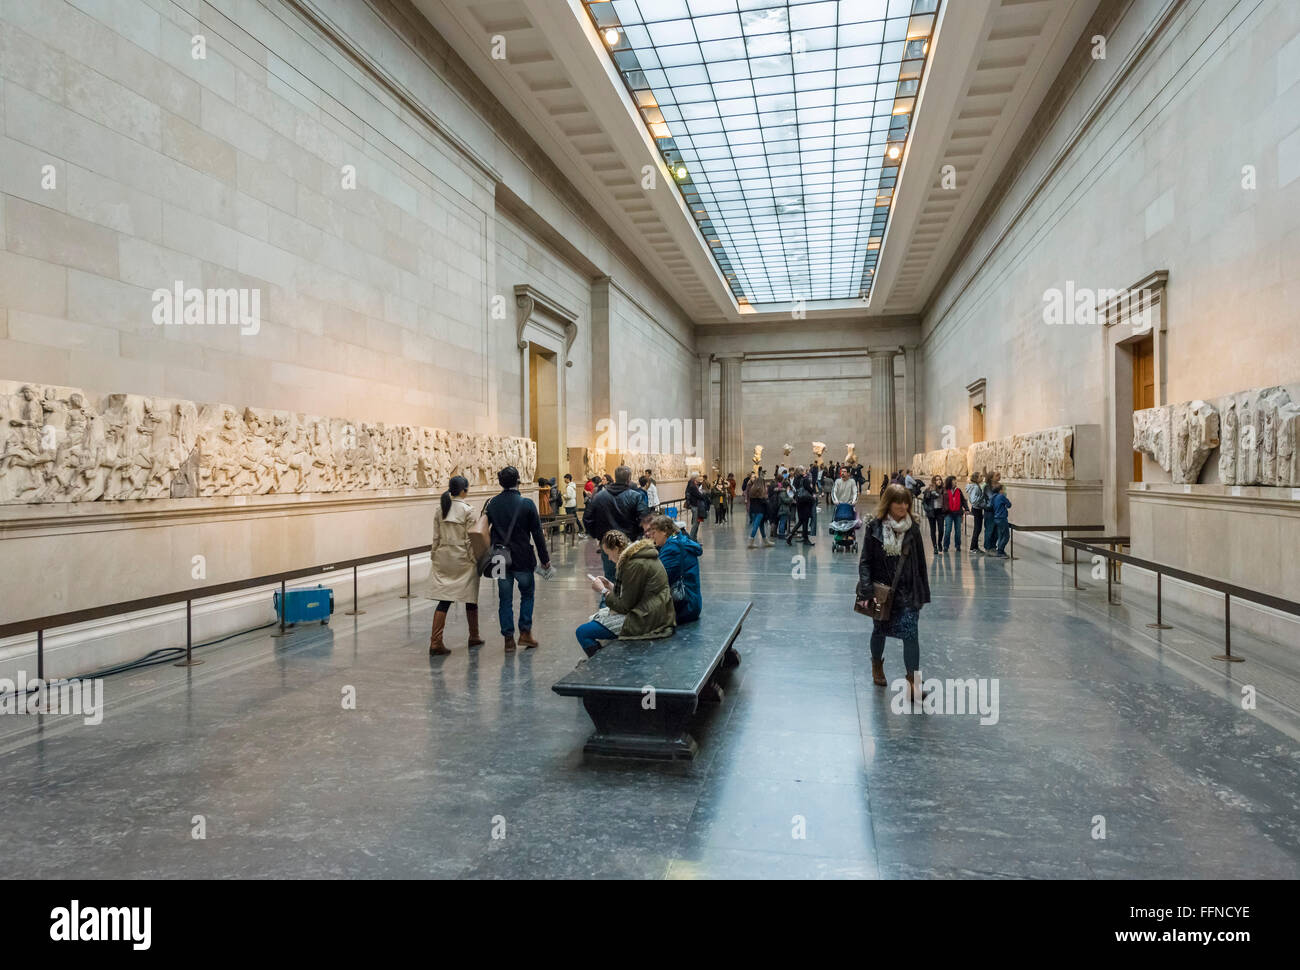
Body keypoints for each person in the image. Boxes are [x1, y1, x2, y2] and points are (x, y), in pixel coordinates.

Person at [856, 484, 932, 705]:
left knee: (911, 636)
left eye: (906, 501)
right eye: (898, 502)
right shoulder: (874, 527)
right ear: (888, 503)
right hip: (883, 592)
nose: (903, 506)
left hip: (908, 592)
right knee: (879, 631)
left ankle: (913, 683)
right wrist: (867, 590)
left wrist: (922, 593)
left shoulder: (913, 529)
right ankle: (876, 664)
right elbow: (865, 561)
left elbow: (920, 565)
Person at [576, 529, 675, 656]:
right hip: (655, 611)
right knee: (596, 619)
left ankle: (599, 665)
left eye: (609, 554)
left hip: (647, 618)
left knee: (583, 632)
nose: (610, 559)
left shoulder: (633, 565)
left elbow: (624, 606)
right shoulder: (638, 557)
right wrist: (611, 586)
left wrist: (603, 591)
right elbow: (634, 591)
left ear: (616, 549)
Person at [485, 465, 551, 652]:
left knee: (504, 598)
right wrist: (544, 559)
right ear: (518, 481)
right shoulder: (527, 504)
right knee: (527, 594)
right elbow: (537, 534)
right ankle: (525, 632)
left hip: (499, 557)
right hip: (522, 556)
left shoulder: (493, 504)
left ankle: (508, 639)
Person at [426, 475, 484, 656]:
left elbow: (436, 537)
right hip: (463, 560)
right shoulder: (468, 510)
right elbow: (469, 540)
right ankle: (473, 636)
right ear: (463, 490)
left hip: (444, 557)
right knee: (470, 598)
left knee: (444, 600)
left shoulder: (440, 509)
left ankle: (436, 641)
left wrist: (434, 555)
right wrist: (475, 559)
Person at [583, 465, 651, 581]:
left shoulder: (599, 497)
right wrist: (638, 536)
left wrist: (599, 536)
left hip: (608, 543)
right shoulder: (635, 496)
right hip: (629, 543)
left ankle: (610, 597)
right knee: (630, 579)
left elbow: (587, 518)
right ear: (629, 479)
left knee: (610, 578)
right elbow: (645, 518)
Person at [648, 514, 702, 624]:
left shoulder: (672, 548)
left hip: (683, 607)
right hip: (692, 603)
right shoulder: (681, 540)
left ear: (664, 532)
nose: (652, 536)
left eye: (654, 533)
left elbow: (660, 578)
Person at [787, 466, 816, 546]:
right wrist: (813, 492)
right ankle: (805, 538)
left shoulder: (795, 479)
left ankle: (792, 535)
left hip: (799, 501)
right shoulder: (805, 479)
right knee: (805, 520)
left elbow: (794, 489)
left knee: (801, 520)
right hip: (806, 501)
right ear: (802, 471)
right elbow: (809, 489)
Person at [940, 475, 968, 553]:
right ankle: (946, 546)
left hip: (958, 513)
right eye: (954, 480)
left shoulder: (958, 490)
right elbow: (941, 500)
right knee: (948, 530)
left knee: (958, 530)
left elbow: (963, 500)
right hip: (948, 513)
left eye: (956, 480)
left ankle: (958, 545)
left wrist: (967, 508)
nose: (956, 481)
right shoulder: (944, 490)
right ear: (950, 481)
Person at [746, 473, 771, 548]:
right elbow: (764, 501)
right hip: (760, 511)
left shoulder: (752, 490)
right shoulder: (761, 492)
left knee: (760, 525)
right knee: (756, 526)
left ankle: (765, 541)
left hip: (753, 510)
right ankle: (751, 541)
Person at [990, 483, 1013, 557]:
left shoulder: (994, 497)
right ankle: (1000, 551)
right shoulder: (1001, 496)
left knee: (1000, 535)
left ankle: (1000, 550)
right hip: (1002, 518)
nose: (1004, 491)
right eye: (1003, 489)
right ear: (1000, 490)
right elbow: (1009, 505)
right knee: (1006, 536)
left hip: (996, 518)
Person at [965, 472, 986, 553]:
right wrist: (982, 496)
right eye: (980, 476)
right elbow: (974, 500)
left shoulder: (975, 486)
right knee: (977, 529)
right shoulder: (975, 487)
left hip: (976, 508)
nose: (982, 477)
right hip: (977, 509)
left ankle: (975, 546)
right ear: (976, 478)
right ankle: (973, 547)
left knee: (978, 528)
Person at [684, 472, 708, 540]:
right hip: (695, 506)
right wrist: (703, 494)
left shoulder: (693, 484)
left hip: (696, 505)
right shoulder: (692, 486)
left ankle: (694, 539)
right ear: (695, 478)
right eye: (698, 477)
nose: (699, 478)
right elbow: (699, 495)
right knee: (695, 523)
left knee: (697, 522)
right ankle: (692, 539)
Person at [982, 471, 1001, 551]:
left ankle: (993, 546)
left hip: (997, 511)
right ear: (991, 478)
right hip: (989, 511)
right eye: (997, 475)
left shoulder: (999, 486)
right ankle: (988, 547)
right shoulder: (987, 487)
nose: (999, 477)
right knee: (989, 530)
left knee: (996, 531)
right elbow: (991, 497)